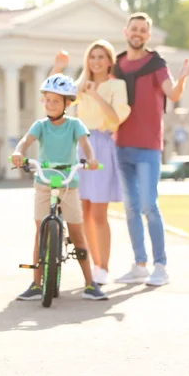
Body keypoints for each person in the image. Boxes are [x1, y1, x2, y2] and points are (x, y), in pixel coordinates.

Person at [112, 12, 189, 286]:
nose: (138, 33)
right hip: (121, 145)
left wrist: (181, 79)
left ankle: (161, 266)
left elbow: (172, 94)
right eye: (133, 28)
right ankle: (139, 265)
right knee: (131, 208)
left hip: (148, 147)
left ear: (148, 36)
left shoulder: (157, 64)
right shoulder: (118, 65)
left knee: (149, 205)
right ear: (126, 32)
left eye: (143, 30)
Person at [11, 73, 108, 301]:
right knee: (40, 232)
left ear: (67, 103)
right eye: (47, 100)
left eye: (56, 101)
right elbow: (25, 141)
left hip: (68, 184)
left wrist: (91, 160)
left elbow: (85, 145)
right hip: (44, 183)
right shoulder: (41, 126)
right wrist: (18, 153)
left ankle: (89, 283)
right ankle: (36, 284)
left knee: (77, 234)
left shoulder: (75, 125)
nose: (50, 104)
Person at [50, 40, 131, 285]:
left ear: (109, 61)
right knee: (82, 212)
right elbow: (55, 96)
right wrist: (57, 68)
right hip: (79, 145)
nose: (96, 61)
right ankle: (94, 265)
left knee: (98, 213)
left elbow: (115, 118)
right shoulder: (79, 85)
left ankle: (103, 267)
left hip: (102, 147)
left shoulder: (117, 85)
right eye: (92, 57)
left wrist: (94, 93)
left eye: (100, 57)